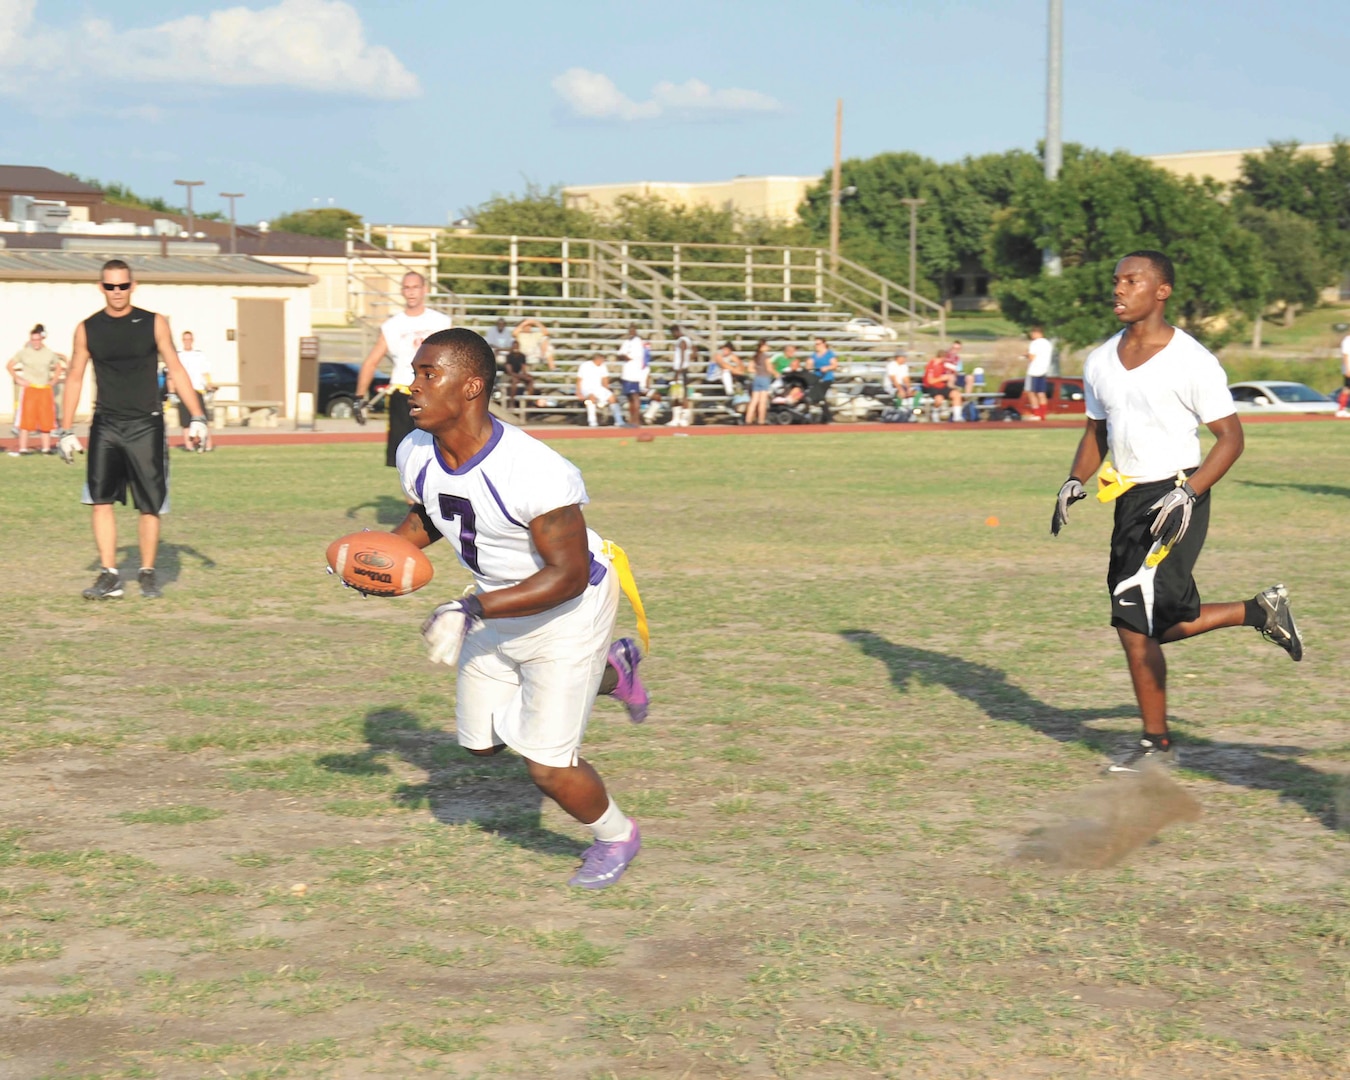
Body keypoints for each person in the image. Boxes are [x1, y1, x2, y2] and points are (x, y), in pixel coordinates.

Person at [393, 328, 649, 888]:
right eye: (414, 372)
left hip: (569, 609)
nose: (410, 386)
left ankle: (617, 835)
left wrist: (472, 609)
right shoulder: (414, 450)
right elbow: (437, 511)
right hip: (496, 600)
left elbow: (569, 575)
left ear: (471, 388)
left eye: (426, 375)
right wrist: (384, 556)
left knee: (548, 767)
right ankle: (613, 672)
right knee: (482, 745)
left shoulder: (536, 470)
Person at [1051, 250, 1303, 774]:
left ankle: (1156, 745)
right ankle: (1257, 611)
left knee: (1132, 622)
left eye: (1131, 281)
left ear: (1161, 291)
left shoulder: (1193, 360)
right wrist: (1075, 479)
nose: (1118, 289)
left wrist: (1187, 494)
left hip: (1178, 497)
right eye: (1115, 280)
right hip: (1128, 500)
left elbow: (1230, 440)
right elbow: (1095, 432)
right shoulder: (1099, 361)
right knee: (1155, 624)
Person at [58, 259, 208, 600]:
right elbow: (75, 378)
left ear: (133, 285)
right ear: (101, 287)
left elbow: (177, 369)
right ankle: (110, 575)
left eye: (122, 286)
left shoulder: (154, 323)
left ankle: (147, 572)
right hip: (106, 424)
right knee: (100, 500)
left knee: (150, 504)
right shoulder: (87, 328)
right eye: (110, 286)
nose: (117, 292)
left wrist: (197, 416)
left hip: (146, 424)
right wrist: (64, 430)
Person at [354, 271, 452, 480]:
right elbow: (371, 362)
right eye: (407, 287)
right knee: (405, 455)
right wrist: (359, 398)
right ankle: (413, 506)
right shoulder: (393, 326)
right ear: (402, 291)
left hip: (434, 393)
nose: (411, 292)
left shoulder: (440, 322)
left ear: (424, 290)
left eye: (415, 287)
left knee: (439, 451)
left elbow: (455, 357)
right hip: (403, 393)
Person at [7, 324, 66, 456]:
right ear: (30, 340)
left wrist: (54, 380)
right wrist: (18, 378)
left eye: (38, 339)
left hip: (44, 389)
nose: (36, 342)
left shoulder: (48, 353)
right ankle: (23, 449)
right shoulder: (23, 352)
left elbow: (58, 365)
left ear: (41, 339)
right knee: (26, 420)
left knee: (46, 421)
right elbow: (9, 365)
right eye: (33, 340)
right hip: (30, 389)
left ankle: (46, 449)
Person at [168, 330, 215, 450]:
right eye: (185, 339)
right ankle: (189, 446)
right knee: (186, 421)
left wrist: (209, 388)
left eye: (189, 339)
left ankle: (207, 445)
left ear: (192, 340)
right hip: (183, 391)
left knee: (202, 419)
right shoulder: (178, 355)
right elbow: (171, 376)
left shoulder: (199, 355)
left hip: (197, 390)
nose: (187, 342)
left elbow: (205, 374)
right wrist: (172, 392)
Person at [576, 353, 622, 428]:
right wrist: (578, 391)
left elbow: (605, 379)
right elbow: (579, 379)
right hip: (586, 388)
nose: (602, 362)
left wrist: (607, 391)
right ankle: (592, 421)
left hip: (598, 387)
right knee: (592, 398)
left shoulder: (603, 366)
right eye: (602, 360)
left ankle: (619, 421)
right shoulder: (585, 365)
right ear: (597, 359)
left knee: (613, 398)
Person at [617, 325, 647, 427]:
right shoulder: (626, 342)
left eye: (633, 331)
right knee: (629, 398)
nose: (631, 333)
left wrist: (624, 356)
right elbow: (620, 354)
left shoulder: (638, 342)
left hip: (634, 374)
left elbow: (631, 357)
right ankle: (631, 420)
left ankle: (636, 420)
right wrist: (624, 356)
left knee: (635, 397)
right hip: (626, 373)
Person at [666, 324, 696, 427]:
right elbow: (695, 353)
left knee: (680, 396)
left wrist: (678, 372)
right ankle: (678, 419)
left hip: (681, 370)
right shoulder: (688, 340)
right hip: (684, 369)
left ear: (676, 332)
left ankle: (682, 419)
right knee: (679, 395)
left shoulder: (681, 341)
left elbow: (682, 357)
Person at [920, 349, 963, 420]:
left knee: (956, 394)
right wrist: (942, 378)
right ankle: (935, 412)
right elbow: (930, 381)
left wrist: (952, 375)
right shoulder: (931, 365)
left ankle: (957, 417)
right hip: (932, 387)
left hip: (941, 386)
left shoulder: (943, 364)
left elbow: (956, 369)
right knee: (939, 399)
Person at [1024, 327, 1053, 422]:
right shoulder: (1048, 343)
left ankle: (1036, 413)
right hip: (1044, 370)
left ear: (1036, 333)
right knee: (1041, 393)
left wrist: (1026, 355)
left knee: (1031, 392)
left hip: (1034, 370)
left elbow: (1032, 357)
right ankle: (1043, 414)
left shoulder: (1035, 343)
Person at [745, 339, 774, 425]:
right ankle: (761, 420)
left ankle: (748, 419)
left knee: (754, 401)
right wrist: (775, 373)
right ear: (763, 347)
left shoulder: (755, 356)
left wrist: (757, 371)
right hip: (764, 378)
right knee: (762, 401)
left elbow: (749, 369)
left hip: (757, 378)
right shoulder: (765, 357)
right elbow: (769, 368)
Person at [502, 339, 536, 412]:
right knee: (515, 381)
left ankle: (529, 401)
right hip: (508, 375)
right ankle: (512, 402)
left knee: (530, 380)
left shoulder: (522, 356)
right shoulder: (509, 356)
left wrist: (525, 375)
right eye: (514, 346)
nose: (515, 348)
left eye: (516, 346)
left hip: (517, 374)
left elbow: (523, 367)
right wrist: (520, 376)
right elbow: (510, 371)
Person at [1337, 329, 1350, 418]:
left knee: (1347, 388)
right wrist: (1347, 369)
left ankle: (1342, 409)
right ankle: (1341, 409)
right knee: (1347, 388)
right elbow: (1346, 355)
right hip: (1349, 366)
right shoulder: (1347, 341)